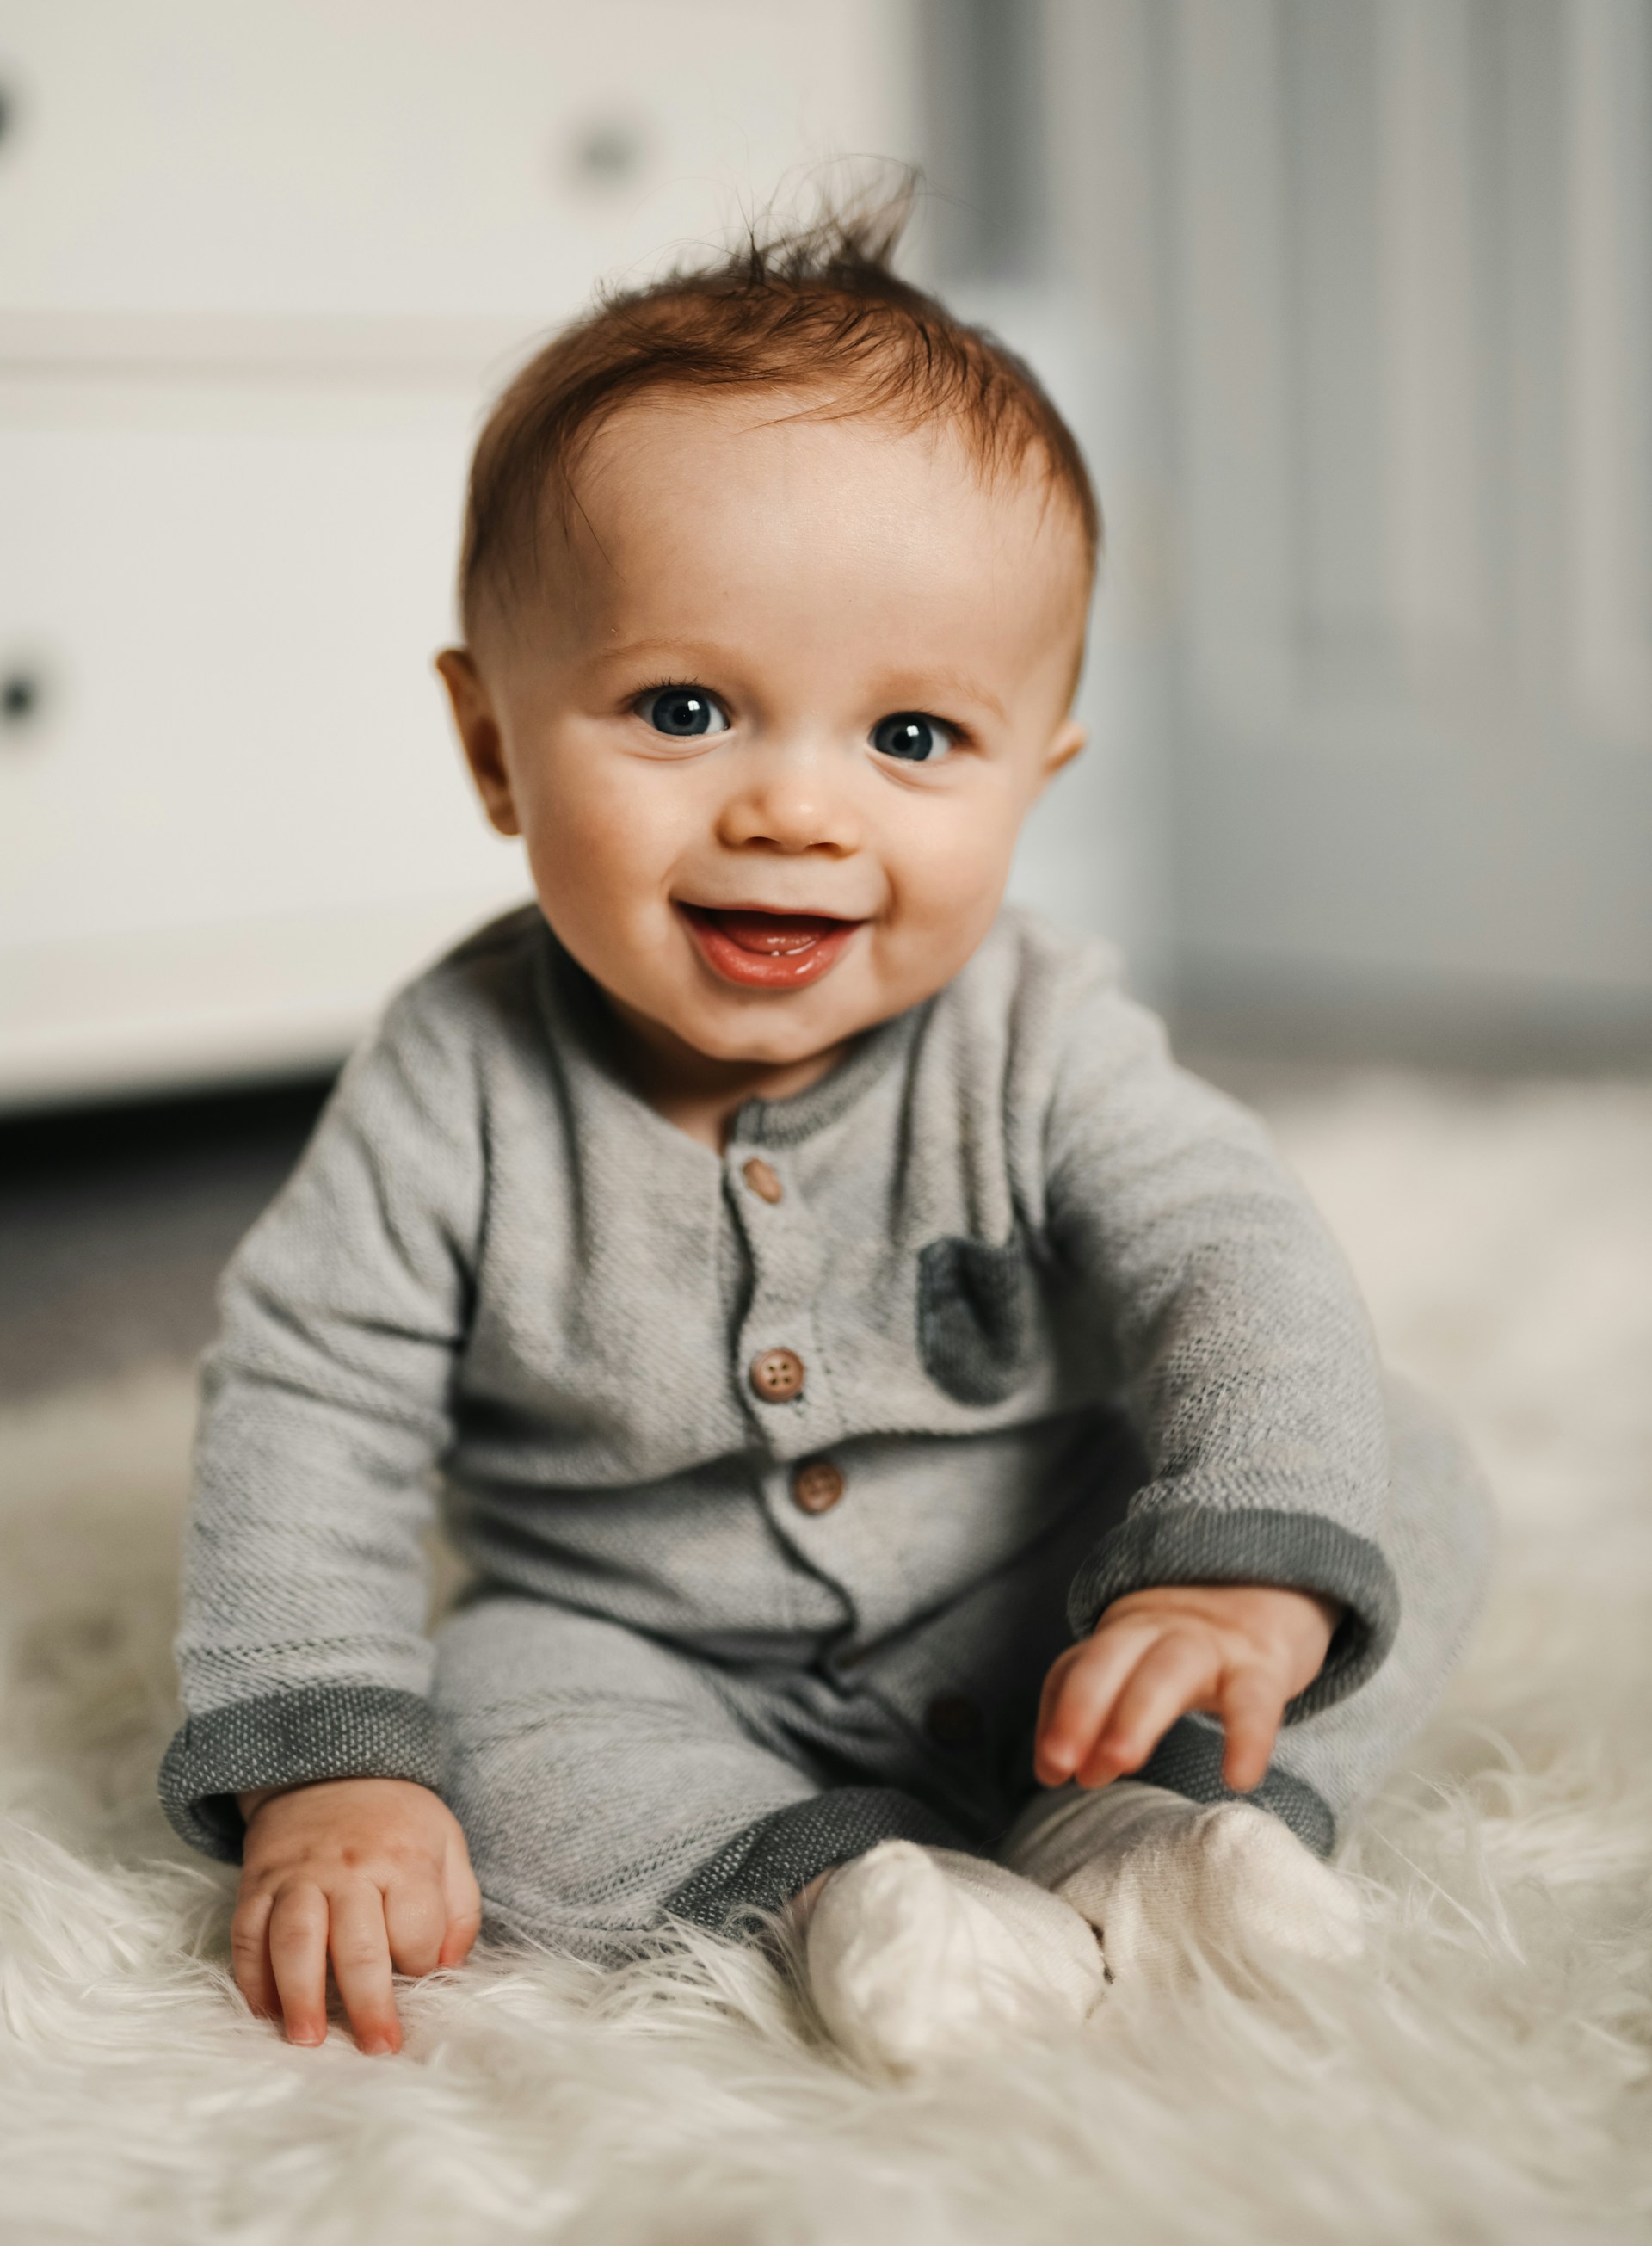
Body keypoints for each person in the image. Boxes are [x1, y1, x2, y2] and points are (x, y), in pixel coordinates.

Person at [160, 201, 1491, 2076]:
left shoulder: (1035, 1029)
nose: (796, 804)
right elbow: (313, 1397)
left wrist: (1221, 1565)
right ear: (491, 746)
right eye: (685, 708)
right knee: (483, 1707)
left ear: (1038, 774)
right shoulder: (452, 1075)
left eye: (917, 736)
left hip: (1053, 1613)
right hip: (647, 1648)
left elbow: (1227, 1244)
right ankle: (834, 1889)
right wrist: (330, 1766)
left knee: (1390, 1473)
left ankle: (1184, 1833)